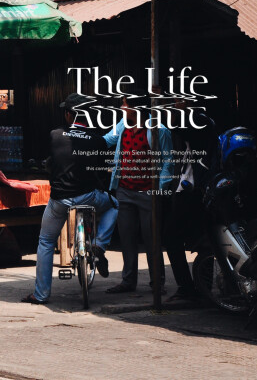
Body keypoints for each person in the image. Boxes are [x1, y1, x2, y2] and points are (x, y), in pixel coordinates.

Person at [22, 93, 118, 305]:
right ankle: (99, 245)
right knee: (114, 205)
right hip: (89, 196)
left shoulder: (55, 135)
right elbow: (102, 171)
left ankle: (40, 295)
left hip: (60, 201)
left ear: (68, 115)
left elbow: (49, 162)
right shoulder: (98, 140)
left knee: (46, 242)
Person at [103, 94, 174, 295]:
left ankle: (157, 282)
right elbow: (107, 140)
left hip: (148, 192)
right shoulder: (122, 125)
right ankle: (128, 281)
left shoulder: (158, 130)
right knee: (127, 237)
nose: (122, 107)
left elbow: (168, 160)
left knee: (152, 239)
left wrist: (160, 187)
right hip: (124, 189)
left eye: (125, 104)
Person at [164, 101, 218, 302]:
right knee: (202, 239)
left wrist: (172, 110)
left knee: (172, 237)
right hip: (191, 187)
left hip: (194, 190)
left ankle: (190, 287)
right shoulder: (202, 120)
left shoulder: (199, 120)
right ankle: (201, 288)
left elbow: (178, 128)